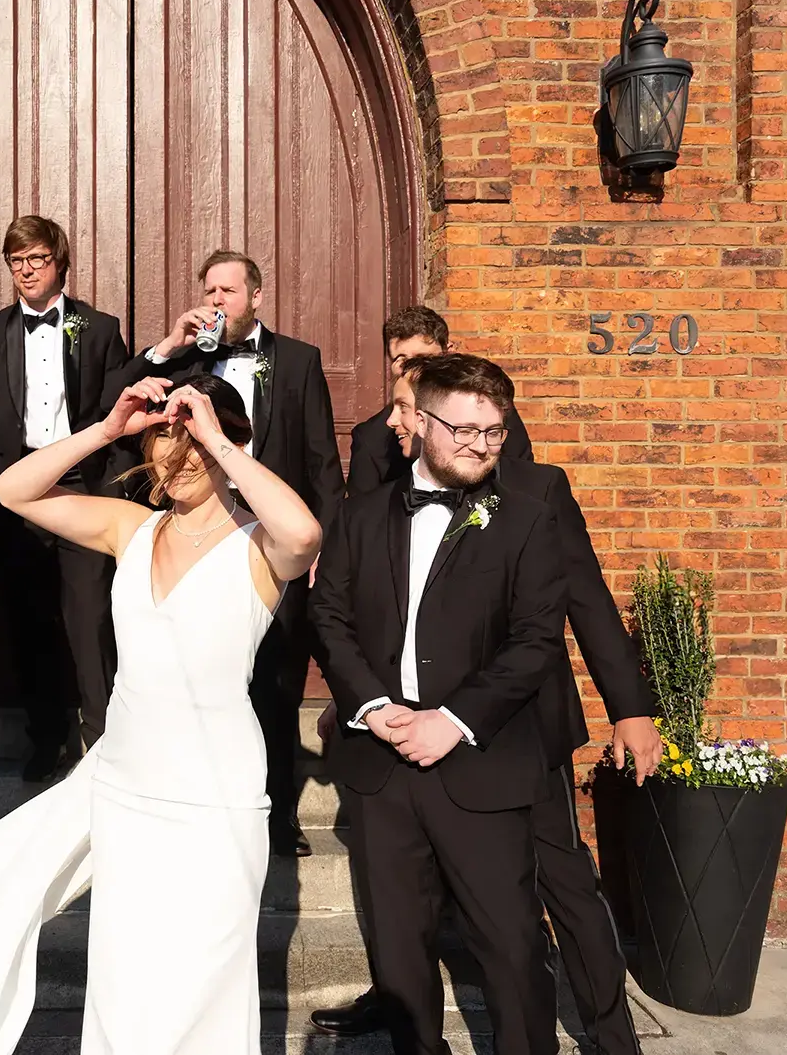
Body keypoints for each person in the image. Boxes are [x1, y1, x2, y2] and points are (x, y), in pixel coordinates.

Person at [0, 374, 322, 1055]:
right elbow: (10, 490)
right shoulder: (130, 526)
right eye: (167, 443)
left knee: (205, 986)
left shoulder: (260, 547)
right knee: (118, 975)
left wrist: (217, 438)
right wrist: (108, 429)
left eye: (193, 443)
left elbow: (306, 531)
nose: (180, 458)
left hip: (216, 798)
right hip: (124, 788)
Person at [311, 354, 662, 1053]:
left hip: (492, 752)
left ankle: (606, 1032)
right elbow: (328, 615)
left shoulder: (526, 512)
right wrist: (372, 705)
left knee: (514, 939)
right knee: (401, 952)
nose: (479, 445)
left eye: (494, 432)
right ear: (417, 420)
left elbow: (549, 629)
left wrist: (454, 720)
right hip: (380, 762)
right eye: (464, 430)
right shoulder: (361, 511)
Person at [104, 249, 344, 856]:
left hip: (269, 540)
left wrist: (322, 548)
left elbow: (321, 461)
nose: (216, 300)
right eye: (209, 290)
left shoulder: (297, 360)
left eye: (228, 291)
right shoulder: (183, 361)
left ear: (255, 297)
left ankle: (278, 815)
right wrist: (165, 346)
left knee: (278, 682)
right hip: (198, 529)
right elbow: (111, 400)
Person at [0, 215, 130, 781]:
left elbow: (115, 417)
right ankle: (46, 739)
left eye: (36, 259)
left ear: (59, 263)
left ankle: (103, 741)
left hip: (81, 492)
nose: (26, 271)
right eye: (16, 262)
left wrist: (115, 495)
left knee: (88, 623)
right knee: (31, 626)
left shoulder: (101, 329)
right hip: (18, 498)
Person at [346, 305, 531, 495]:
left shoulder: (492, 412)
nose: (412, 370)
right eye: (401, 360)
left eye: (422, 358)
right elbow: (362, 516)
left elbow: (522, 482)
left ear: (448, 351)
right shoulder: (371, 438)